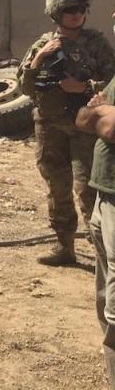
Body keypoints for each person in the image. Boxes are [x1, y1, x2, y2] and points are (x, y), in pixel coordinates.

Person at [18, 0, 115, 266]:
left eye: (80, 9)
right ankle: (64, 246)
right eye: (69, 10)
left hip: (85, 128)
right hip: (50, 127)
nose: (76, 15)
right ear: (55, 14)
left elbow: (112, 84)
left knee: (88, 190)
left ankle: (103, 256)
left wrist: (84, 86)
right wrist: (38, 60)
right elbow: (25, 88)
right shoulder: (42, 45)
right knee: (57, 188)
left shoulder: (96, 43)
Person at [76, 80, 115, 388]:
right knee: (104, 290)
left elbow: (109, 127)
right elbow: (83, 118)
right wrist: (100, 111)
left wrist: (98, 110)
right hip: (105, 193)